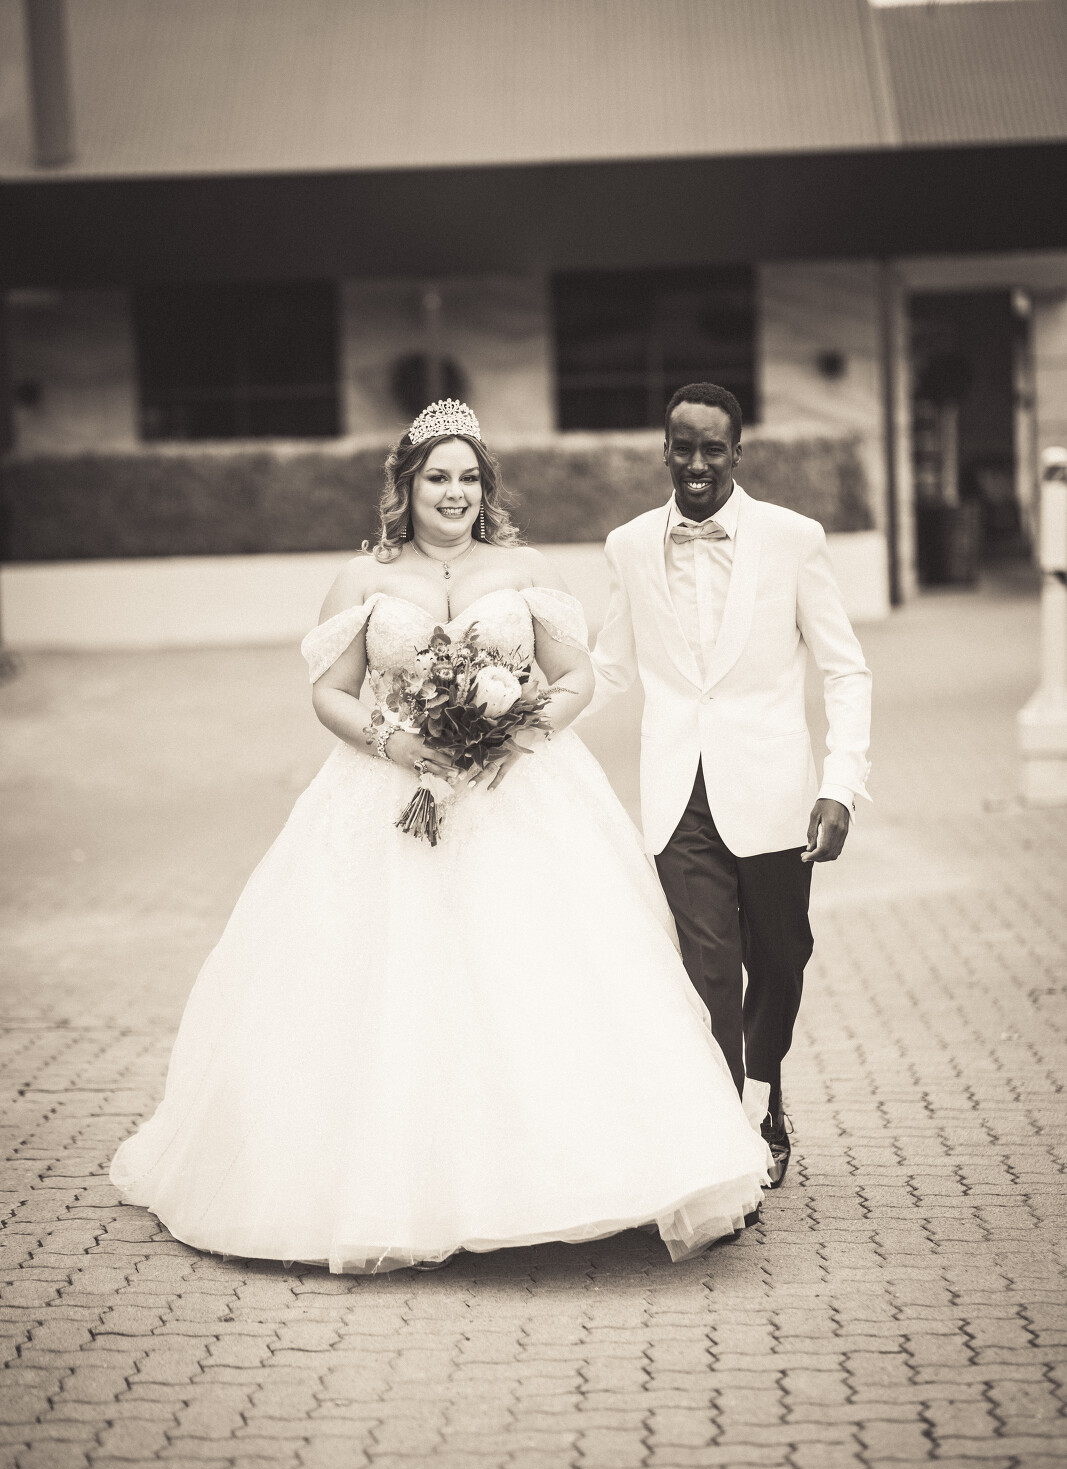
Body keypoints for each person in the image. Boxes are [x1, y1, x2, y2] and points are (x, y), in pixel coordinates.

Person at [110, 399, 772, 1275]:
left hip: (518, 793)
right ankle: (400, 1189)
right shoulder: (362, 578)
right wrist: (394, 743)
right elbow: (330, 692)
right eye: (436, 478)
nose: (453, 494)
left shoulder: (526, 568)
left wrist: (520, 731)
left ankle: (575, 1178)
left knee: (544, 974)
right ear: (406, 485)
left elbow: (576, 675)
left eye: (467, 478)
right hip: (388, 792)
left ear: (485, 486)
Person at [584, 383, 872, 1187]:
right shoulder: (628, 546)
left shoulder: (793, 540)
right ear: (664, 450)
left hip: (774, 790)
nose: (696, 463)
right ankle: (730, 1136)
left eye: (713, 448)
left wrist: (840, 785)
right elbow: (609, 668)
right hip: (678, 795)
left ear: (737, 454)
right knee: (709, 968)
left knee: (779, 960)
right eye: (683, 447)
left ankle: (764, 1089)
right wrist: (513, 713)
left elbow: (845, 670)